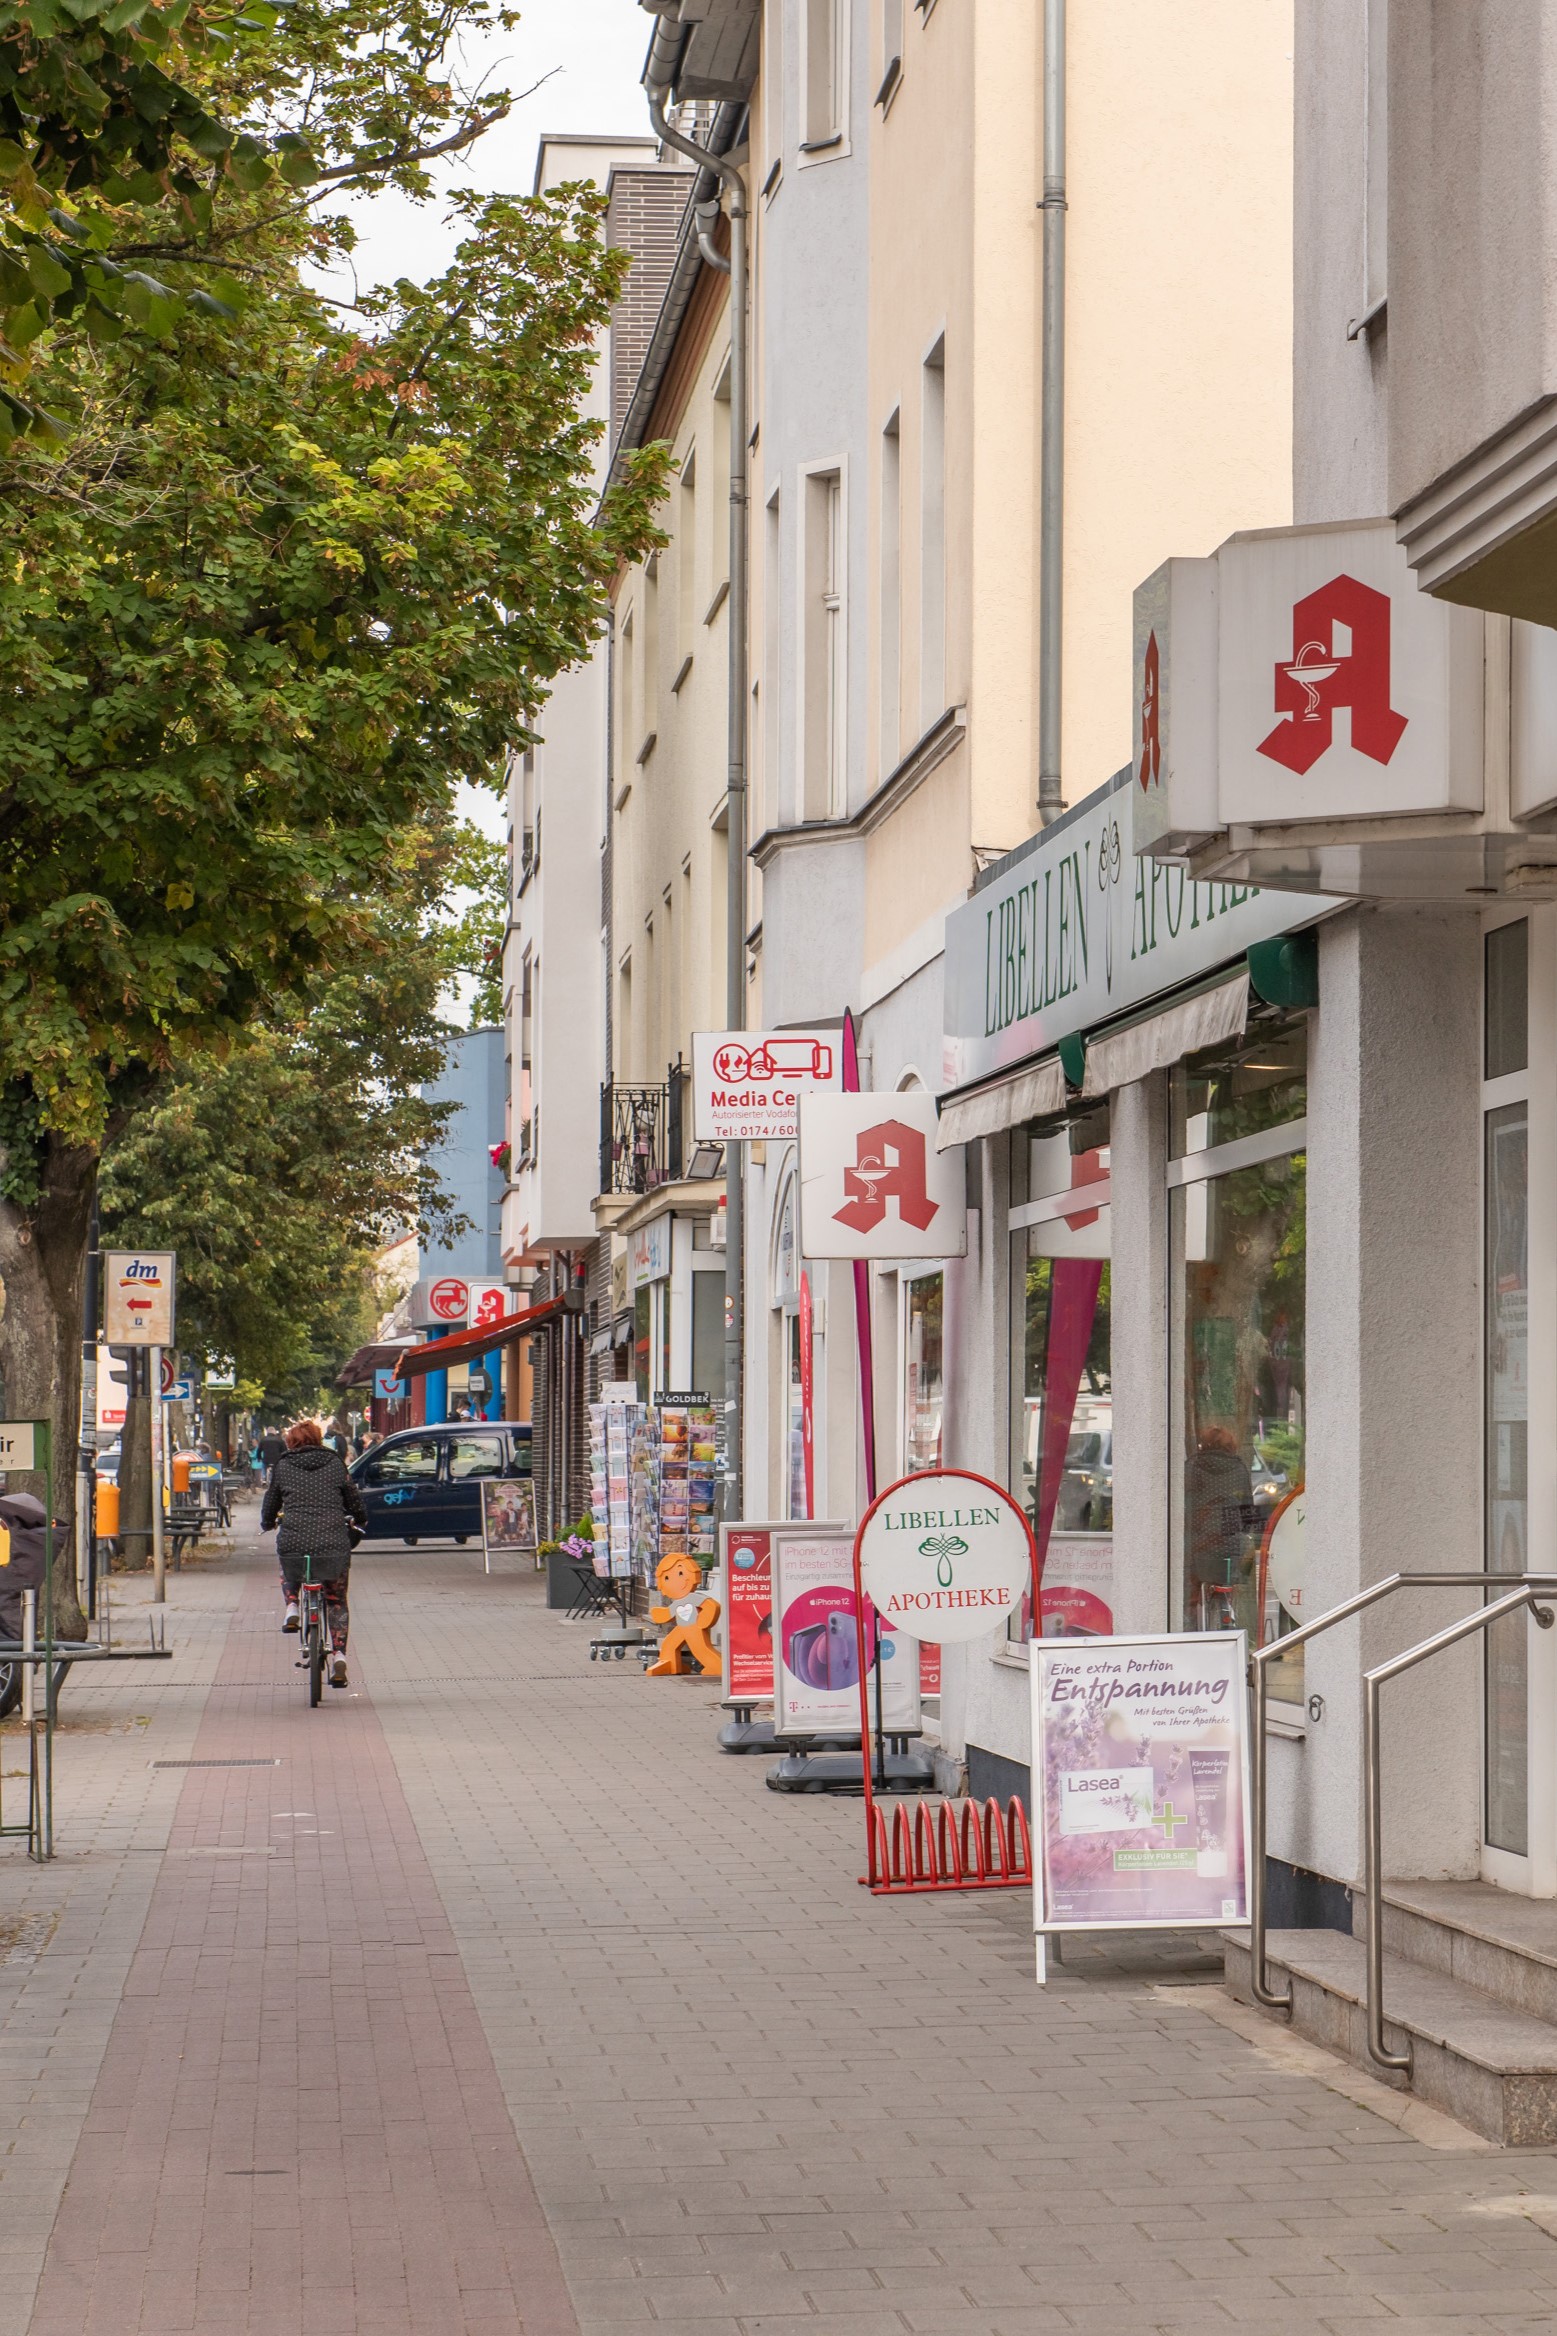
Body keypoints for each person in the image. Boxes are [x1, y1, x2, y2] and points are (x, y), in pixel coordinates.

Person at [259, 1420, 366, 1688]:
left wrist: (267, 1522)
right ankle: (339, 1655)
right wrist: (360, 1518)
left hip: (295, 1536)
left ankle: (292, 1605)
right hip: (332, 1539)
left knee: (289, 1563)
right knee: (336, 1599)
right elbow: (354, 1500)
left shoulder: (283, 1466)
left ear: (291, 1442)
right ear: (318, 1439)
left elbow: (271, 1501)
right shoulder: (335, 1463)